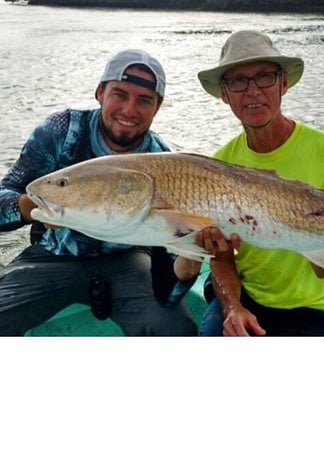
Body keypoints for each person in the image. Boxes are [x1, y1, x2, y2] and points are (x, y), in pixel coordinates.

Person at [195, 30, 324, 336]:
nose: (253, 90)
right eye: (238, 81)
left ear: (283, 83)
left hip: (312, 308)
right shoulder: (218, 164)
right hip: (246, 296)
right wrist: (232, 308)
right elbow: (222, 258)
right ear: (224, 94)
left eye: (265, 77)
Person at [0, 49, 200, 336]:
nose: (129, 110)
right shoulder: (61, 130)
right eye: (120, 94)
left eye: (144, 101)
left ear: (157, 108)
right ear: (100, 92)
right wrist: (29, 206)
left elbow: (170, 266)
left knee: (175, 328)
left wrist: (191, 261)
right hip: (53, 255)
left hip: (128, 260)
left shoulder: (162, 160)